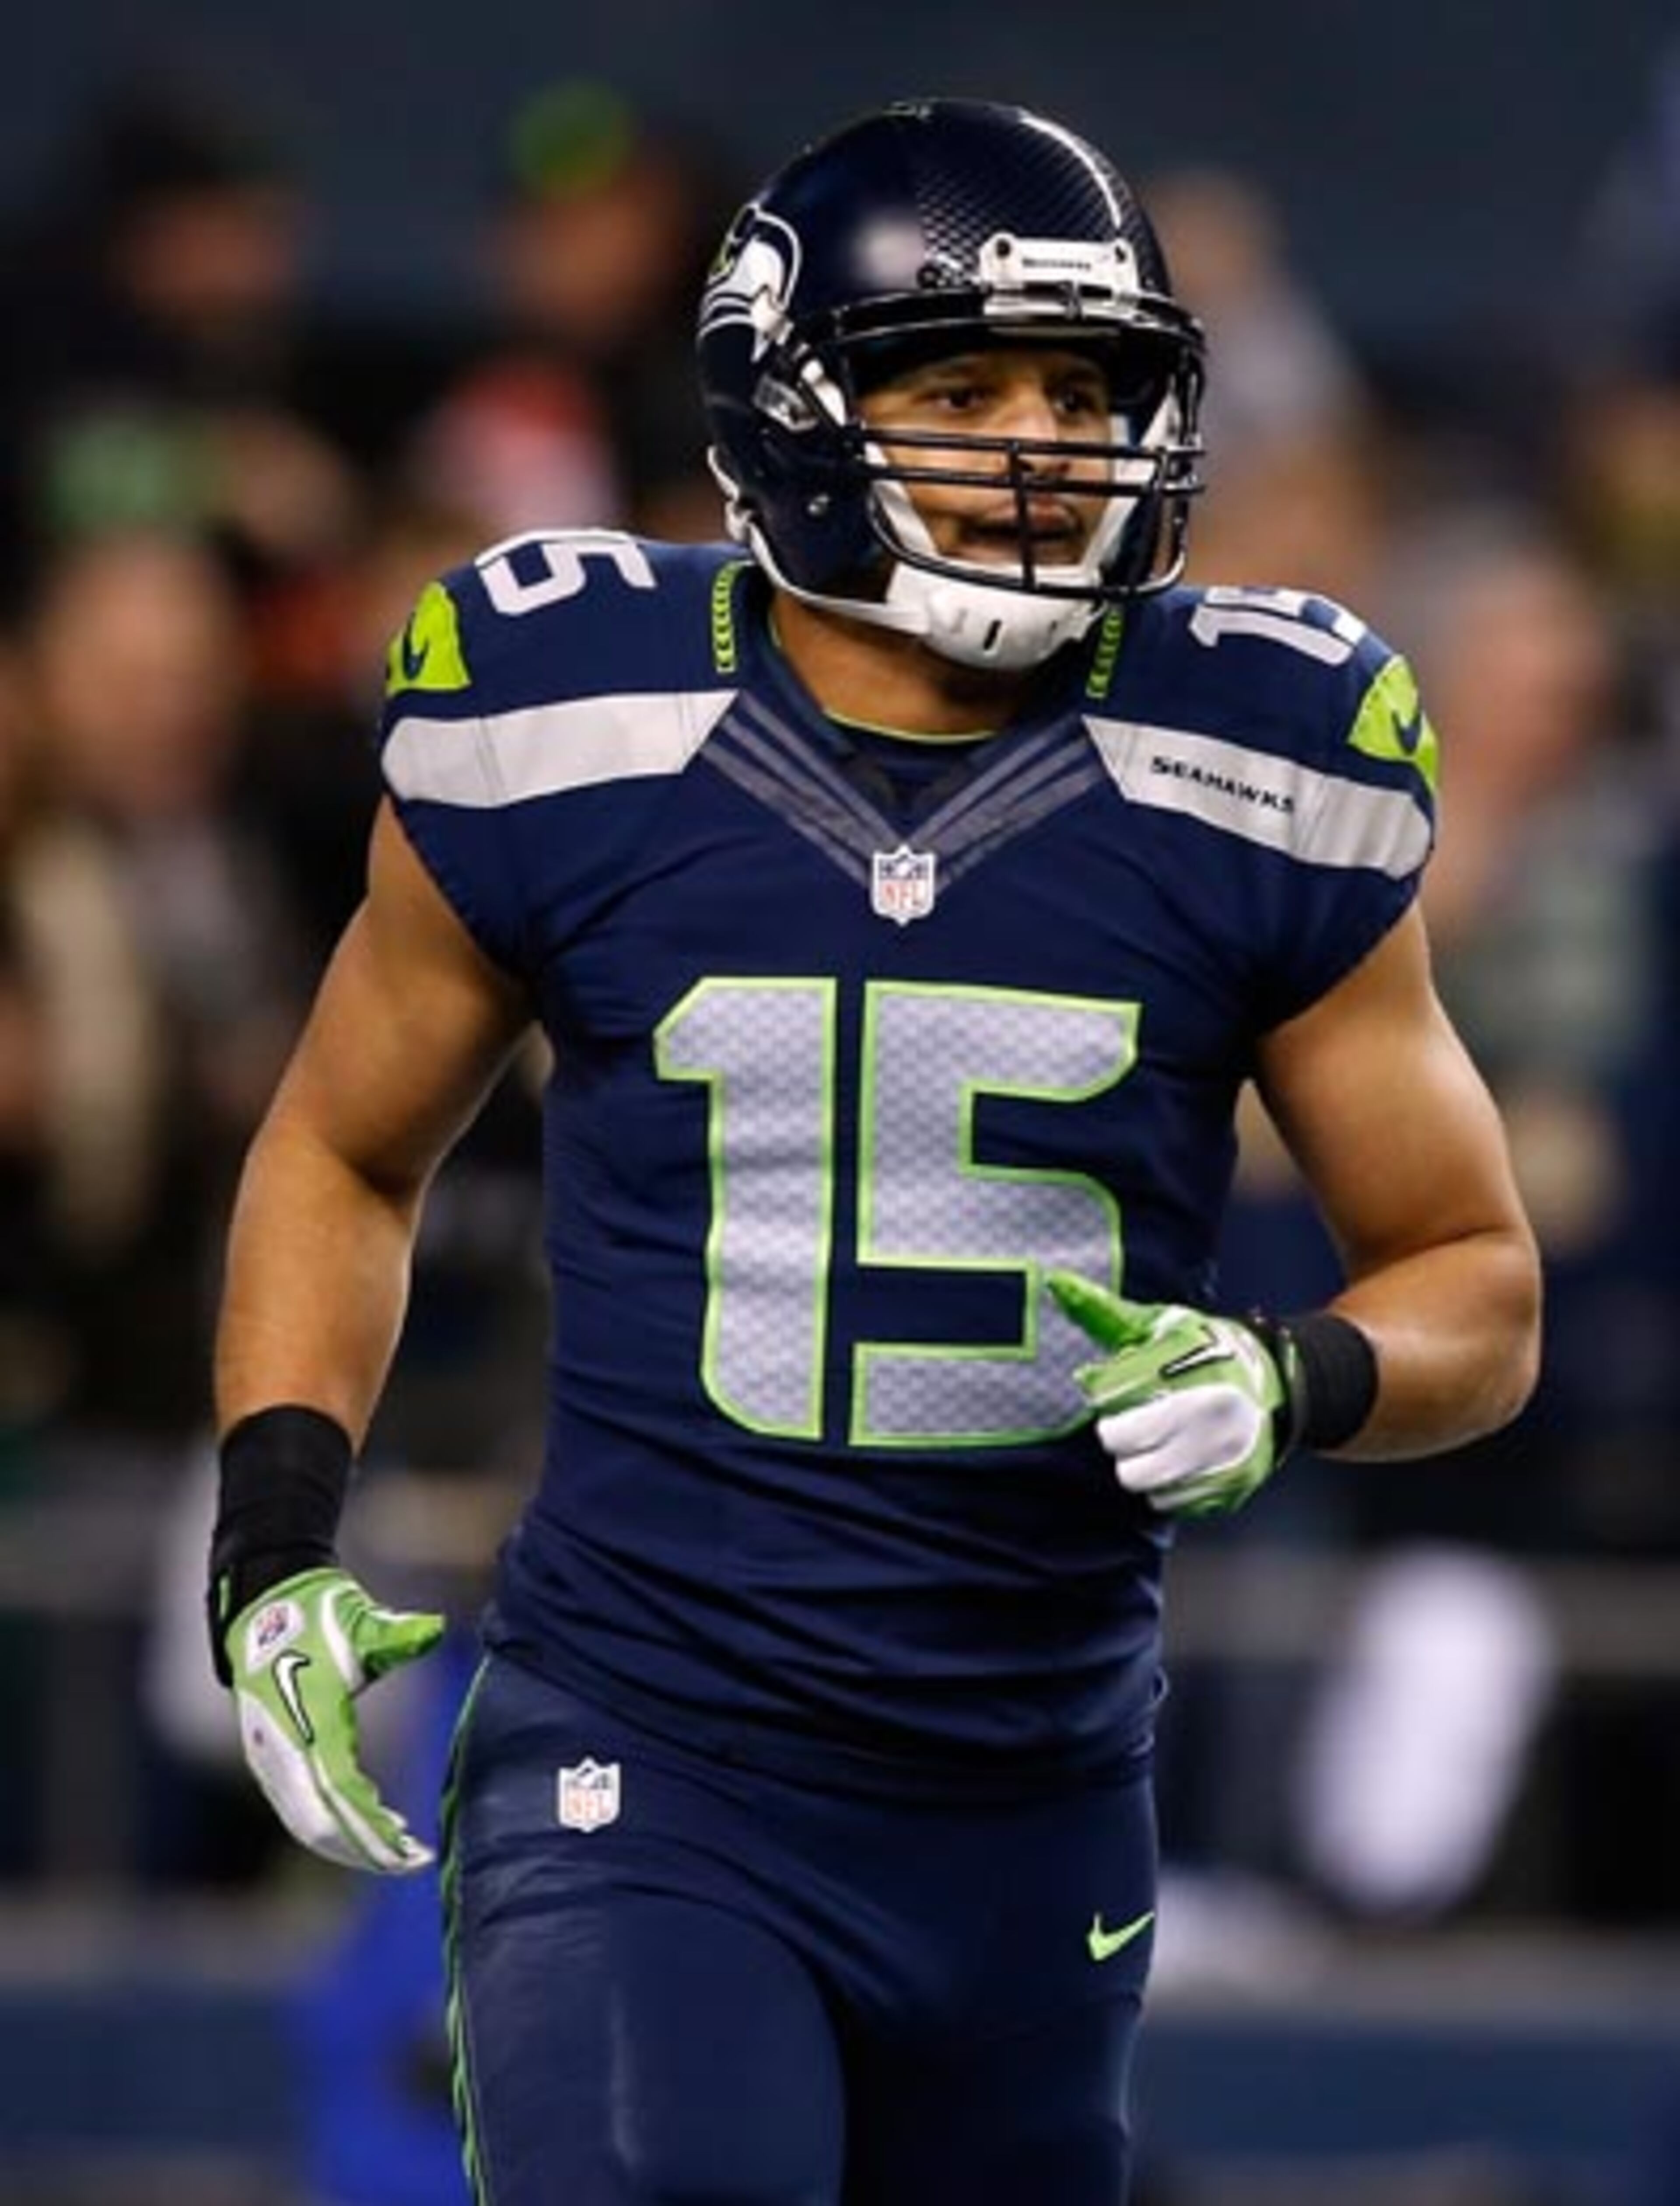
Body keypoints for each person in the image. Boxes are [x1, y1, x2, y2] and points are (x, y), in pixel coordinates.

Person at [206, 98, 1541, 2206]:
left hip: (1037, 1791)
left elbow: (1477, 1278)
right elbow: (343, 1152)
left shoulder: (1258, 758)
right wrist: (277, 1537)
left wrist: (1297, 1374)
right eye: (966, 386)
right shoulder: (568, 714)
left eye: (1083, 391)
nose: (1045, 445)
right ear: (793, 404)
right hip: (650, 1746)